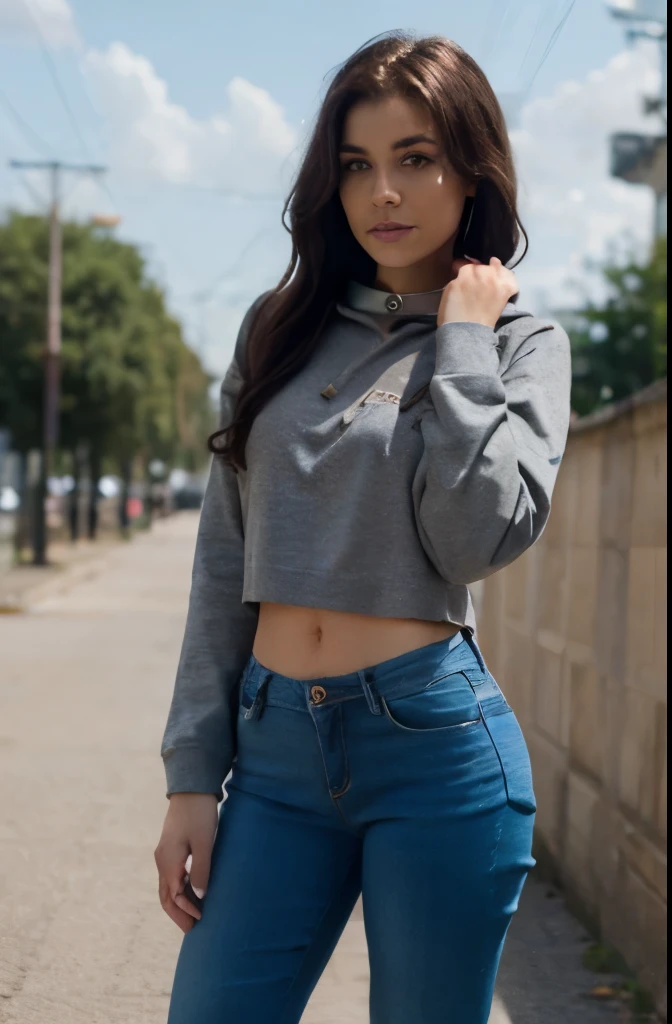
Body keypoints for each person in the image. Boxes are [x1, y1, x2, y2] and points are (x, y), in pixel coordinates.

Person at [155, 31, 572, 1024]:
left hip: (435, 750)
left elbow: (472, 539)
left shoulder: (522, 347)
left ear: (472, 172)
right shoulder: (279, 330)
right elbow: (224, 560)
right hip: (276, 758)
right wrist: (187, 779)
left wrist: (462, 339)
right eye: (357, 166)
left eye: (415, 158)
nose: (384, 190)